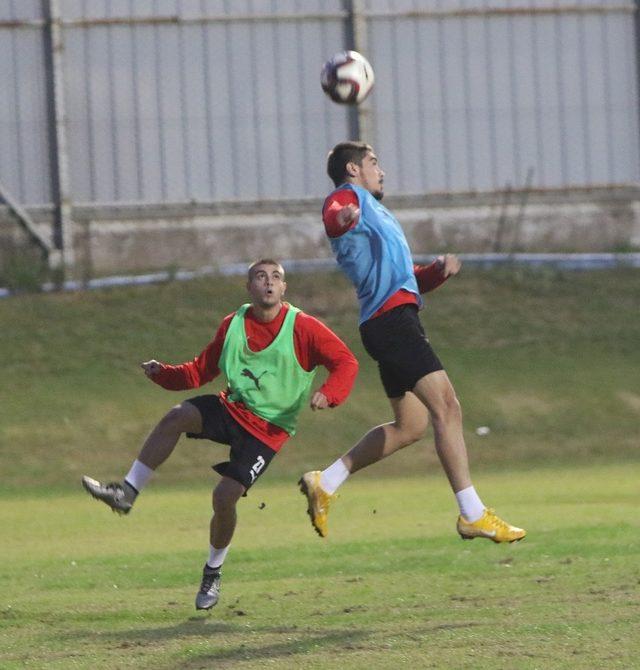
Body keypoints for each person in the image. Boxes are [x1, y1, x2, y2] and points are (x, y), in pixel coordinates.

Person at [82, 259, 358, 610]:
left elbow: (346, 362)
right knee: (177, 417)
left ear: (284, 288)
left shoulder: (304, 327)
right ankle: (126, 491)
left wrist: (330, 393)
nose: (269, 283)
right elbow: (200, 371)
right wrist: (163, 374)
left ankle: (213, 571)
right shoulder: (234, 324)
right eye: (260, 277)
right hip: (233, 409)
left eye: (276, 278)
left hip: (268, 432)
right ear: (249, 287)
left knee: (223, 497)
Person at [299, 141, 526, 544]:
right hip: (392, 324)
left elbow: (406, 280)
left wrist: (437, 273)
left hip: (388, 320)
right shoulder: (346, 198)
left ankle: (326, 481)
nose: (381, 170)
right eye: (373, 163)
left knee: (411, 426)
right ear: (353, 169)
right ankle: (472, 513)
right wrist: (343, 218)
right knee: (448, 408)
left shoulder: (376, 212)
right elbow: (333, 216)